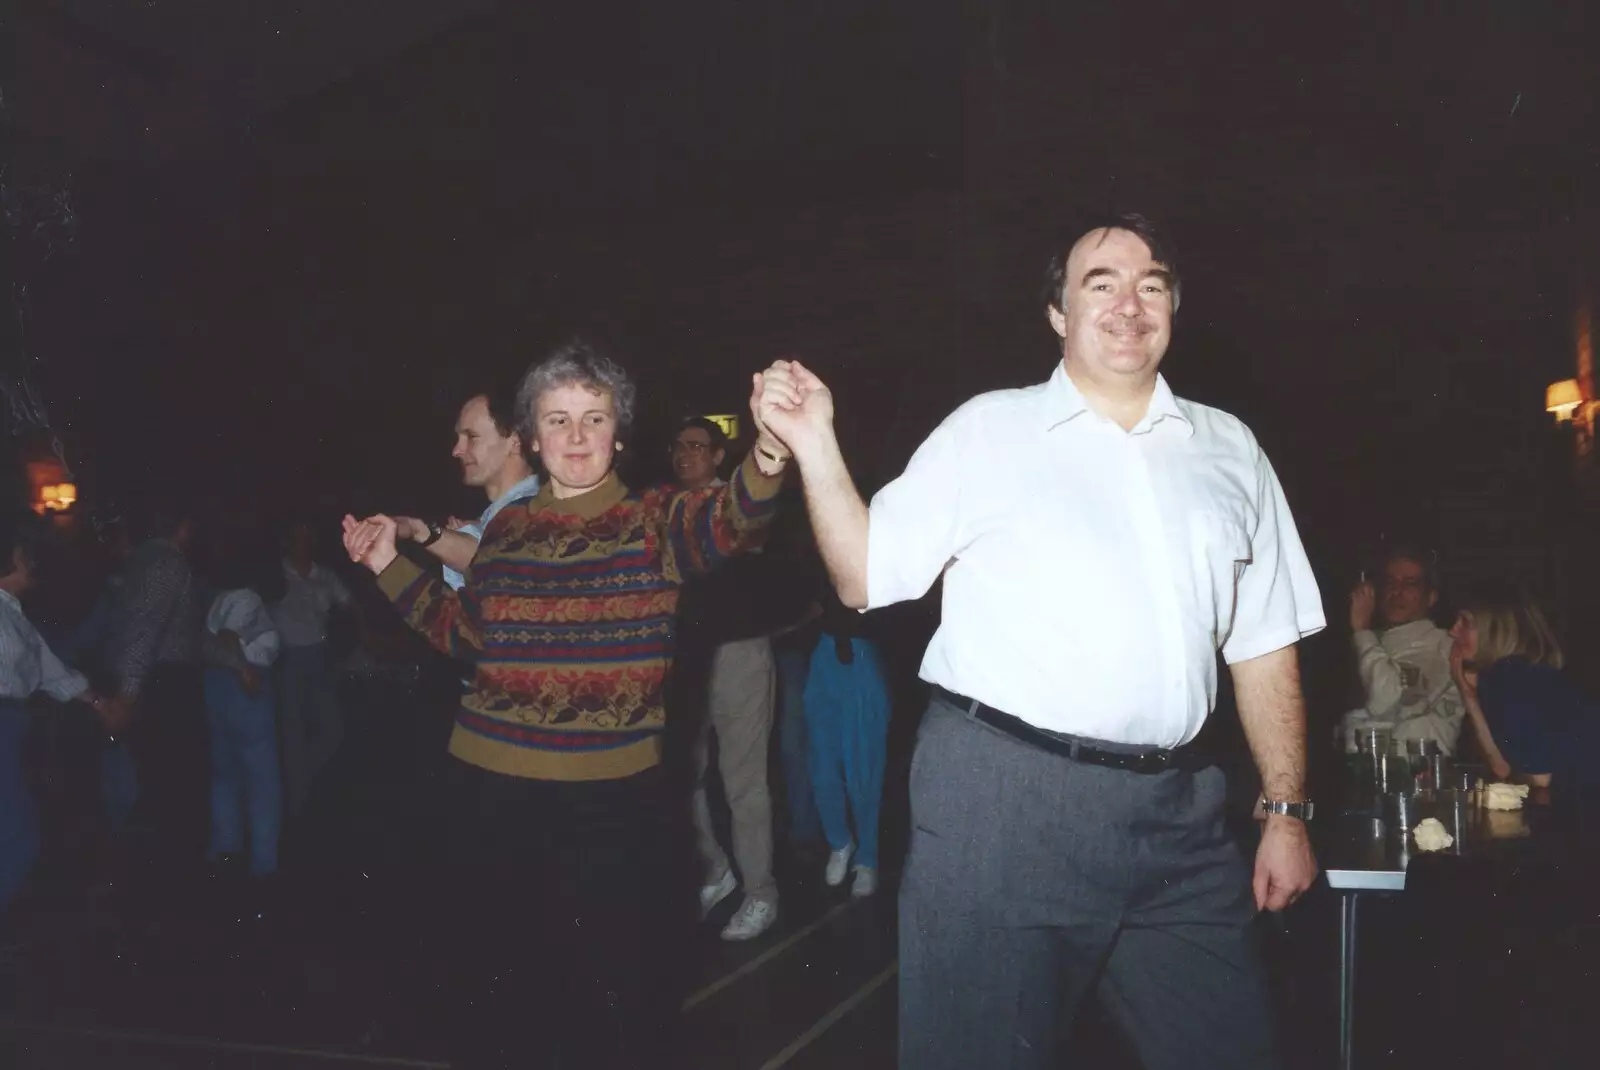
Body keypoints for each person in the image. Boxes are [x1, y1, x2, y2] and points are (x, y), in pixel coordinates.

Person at [754, 214, 1324, 1070]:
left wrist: (1285, 808)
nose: (1130, 303)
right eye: (1101, 283)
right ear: (1058, 313)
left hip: (1182, 823)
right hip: (1004, 808)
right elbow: (863, 576)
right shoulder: (989, 429)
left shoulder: (1231, 448)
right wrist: (814, 443)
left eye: (1152, 284)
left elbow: (1265, 642)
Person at [341, 338, 788, 1069]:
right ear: (533, 436)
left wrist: (769, 451)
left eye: (593, 417)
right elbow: (467, 635)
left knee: (613, 1007)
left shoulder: (656, 523)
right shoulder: (508, 530)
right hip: (488, 792)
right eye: (557, 419)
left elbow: (735, 518)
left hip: (609, 804)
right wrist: (387, 564)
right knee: (501, 1003)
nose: (576, 436)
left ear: (619, 432)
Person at [672, 417, 783, 940]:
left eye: (697, 447)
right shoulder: (669, 508)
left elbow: (740, 538)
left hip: (738, 654)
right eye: (680, 448)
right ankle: (714, 870)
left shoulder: (735, 506)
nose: (685, 455)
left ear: (718, 457)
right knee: (682, 774)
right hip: (687, 657)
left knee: (744, 783)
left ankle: (761, 893)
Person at [0, 511, 108, 919]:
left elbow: (50, 671)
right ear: (17, 554)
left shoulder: (12, 613)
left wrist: (98, 703)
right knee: (19, 835)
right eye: (33, 553)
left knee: (18, 834)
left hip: (12, 729)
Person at [1450, 593, 1598, 808]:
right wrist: (1469, 697)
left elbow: (1539, 780)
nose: (1452, 631)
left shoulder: (1514, 678)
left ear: (1496, 630)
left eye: (1465, 622)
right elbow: (1503, 767)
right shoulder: (1506, 674)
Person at [392, 391, 541, 591]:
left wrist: (416, 529)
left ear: (514, 441)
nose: (457, 450)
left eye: (472, 437)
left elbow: (488, 559)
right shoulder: (499, 515)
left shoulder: (537, 508)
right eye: (459, 438)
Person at [202, 539, 286, 882]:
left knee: (226, 773)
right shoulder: (247, 597)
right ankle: (264, 862)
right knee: (263, 777)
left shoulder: (222, 596)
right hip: (240, 684)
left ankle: (226, 846)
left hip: (216, 686)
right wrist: (244, 671)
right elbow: (227, 637)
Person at [801, 585, 890, 898]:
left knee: (863, 767)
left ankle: (867, 859)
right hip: (824, 649)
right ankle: (839, 841)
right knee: (821, 762)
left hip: (862, 653)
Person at [1340, 546, 1464, 754]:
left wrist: (1362, 631)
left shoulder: (1443, 646)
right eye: (1390, 582)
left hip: (1418, 776)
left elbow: (1385, 702)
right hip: (1363, 773)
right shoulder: (1367, 642)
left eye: (1410, 584)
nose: (1397, 592)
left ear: (1431, 597)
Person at [271, 520, 355, 819]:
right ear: (288, 541)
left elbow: (349, 606)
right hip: (287, 659)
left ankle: (301, 780)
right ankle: (297, 812)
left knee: (333, 730)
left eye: (308, 538)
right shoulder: (275, 574)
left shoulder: (325, 576)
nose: (303, 544)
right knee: (292, 734)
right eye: (297, 538)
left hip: (319, 656)